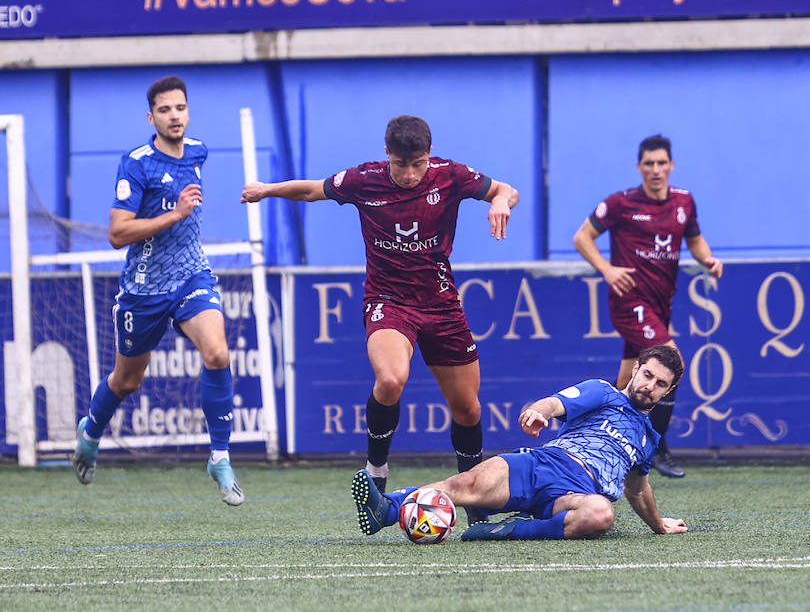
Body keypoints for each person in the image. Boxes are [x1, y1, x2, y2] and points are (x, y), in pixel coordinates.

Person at [240, 114, 518, 522]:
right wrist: (267, 190)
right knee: (390, 379)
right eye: (401, 164)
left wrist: (498, 200)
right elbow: (313, 190)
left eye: (417, 164)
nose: (409, 174)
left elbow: (506, 189)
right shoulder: (363, 180)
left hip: (441, 304)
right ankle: (376, 470)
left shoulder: (451, 175)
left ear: (429, 155)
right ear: (387, 154)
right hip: (388, 301)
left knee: (469, 409)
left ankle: (472, 494)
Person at [71, 75, 244, 506]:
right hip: (144, 290)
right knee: (128, 381)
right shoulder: (136, 163)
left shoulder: (199, 151)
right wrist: (175, 213)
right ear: (152, 117)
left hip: (191, 276)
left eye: (180, 108)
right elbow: (117, 233)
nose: (175, 116)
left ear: (188, 111)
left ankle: (219, 456)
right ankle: (90, 431)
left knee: (219, 353)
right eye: (165, 110)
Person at [351, 344, 689, 541]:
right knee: (464, 483)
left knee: (601, 514)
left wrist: (658, 524)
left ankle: (507, 530)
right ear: (636, 369)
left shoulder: (648, 438)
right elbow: (555, 403)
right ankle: (388, 508)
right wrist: (537, 413)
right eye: (647, 375)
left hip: (577, 495)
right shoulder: (602, 392)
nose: (650, 385)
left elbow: (637, 488)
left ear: (668, 390)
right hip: (543, 465)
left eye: (660, 383)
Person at [572, 134, 723, 479]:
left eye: (661, 163)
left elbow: (695, 240)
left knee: (627, 380)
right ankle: (656, 446)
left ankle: (594, 439)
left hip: (659, 303)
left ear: (671, 165)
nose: (655, 169)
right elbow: (582, 237)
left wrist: (708, 260)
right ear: (639, 167)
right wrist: (607, 270)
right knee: (672, 363)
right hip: (630, 301)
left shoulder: (684, 202)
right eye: (649, 164)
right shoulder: (621, 203)